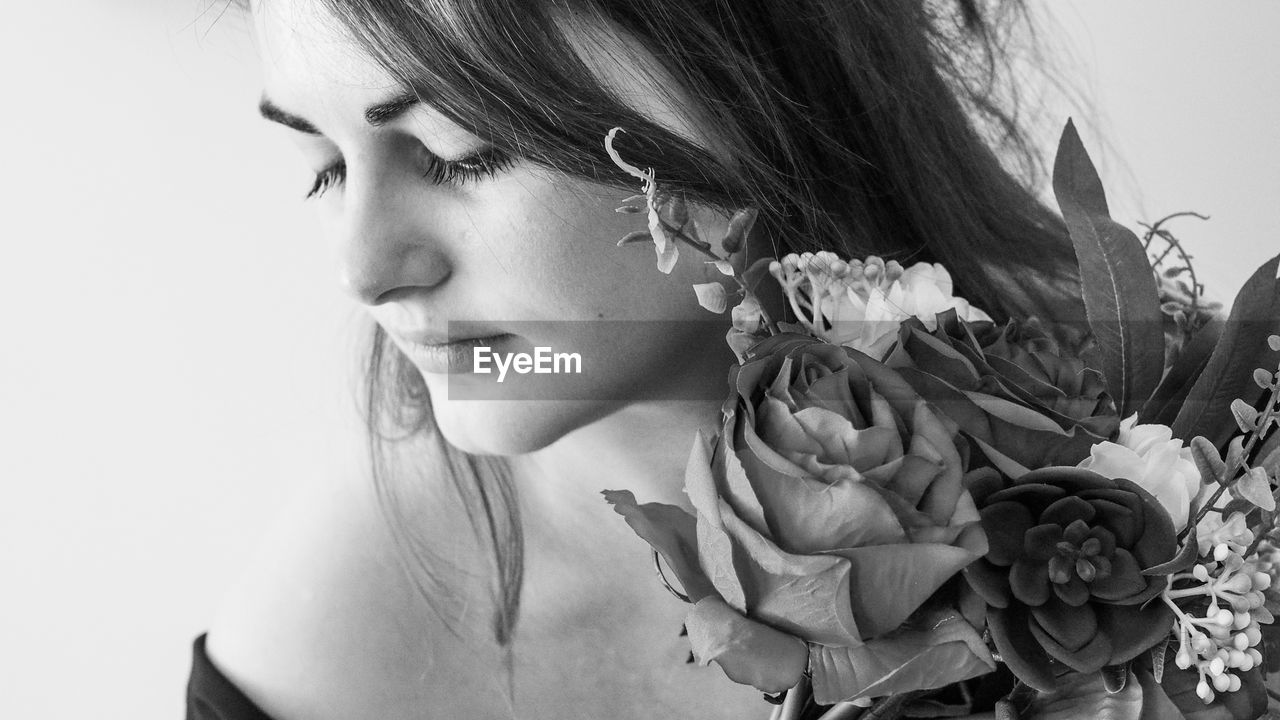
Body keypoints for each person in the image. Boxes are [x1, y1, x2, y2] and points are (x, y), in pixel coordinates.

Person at [187, 0, 1095, 718]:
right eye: (323, 166)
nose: (364, 271)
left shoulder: (1165, 455)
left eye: (454, 150)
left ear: (758, 63)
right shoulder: (317, 658)